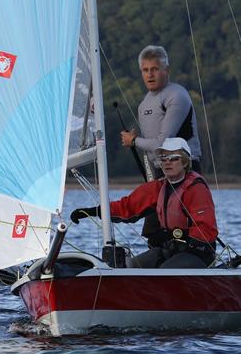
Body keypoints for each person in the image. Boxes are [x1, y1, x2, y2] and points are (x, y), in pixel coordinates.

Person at [70, 138, 217, 269]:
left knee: (164, 272)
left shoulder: (196, 189)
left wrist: (176, 235)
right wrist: (93, 211)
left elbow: (206, 229)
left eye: (173, 158)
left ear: (185, 162)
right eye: (163, 158)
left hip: (197, 254)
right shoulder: (159, 187)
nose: (167, 162)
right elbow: (127, 207)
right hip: (170, 250)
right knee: (130, 268)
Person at [120, 45, 202, 178]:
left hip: (184, 168)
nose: (150, 75)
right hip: (159, 171)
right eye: (145, 70)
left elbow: (162, 143)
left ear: (166, 70)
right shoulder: (143, 105)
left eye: (155, 69)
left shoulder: (176, 95)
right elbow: (150, 152)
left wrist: (134, 141)